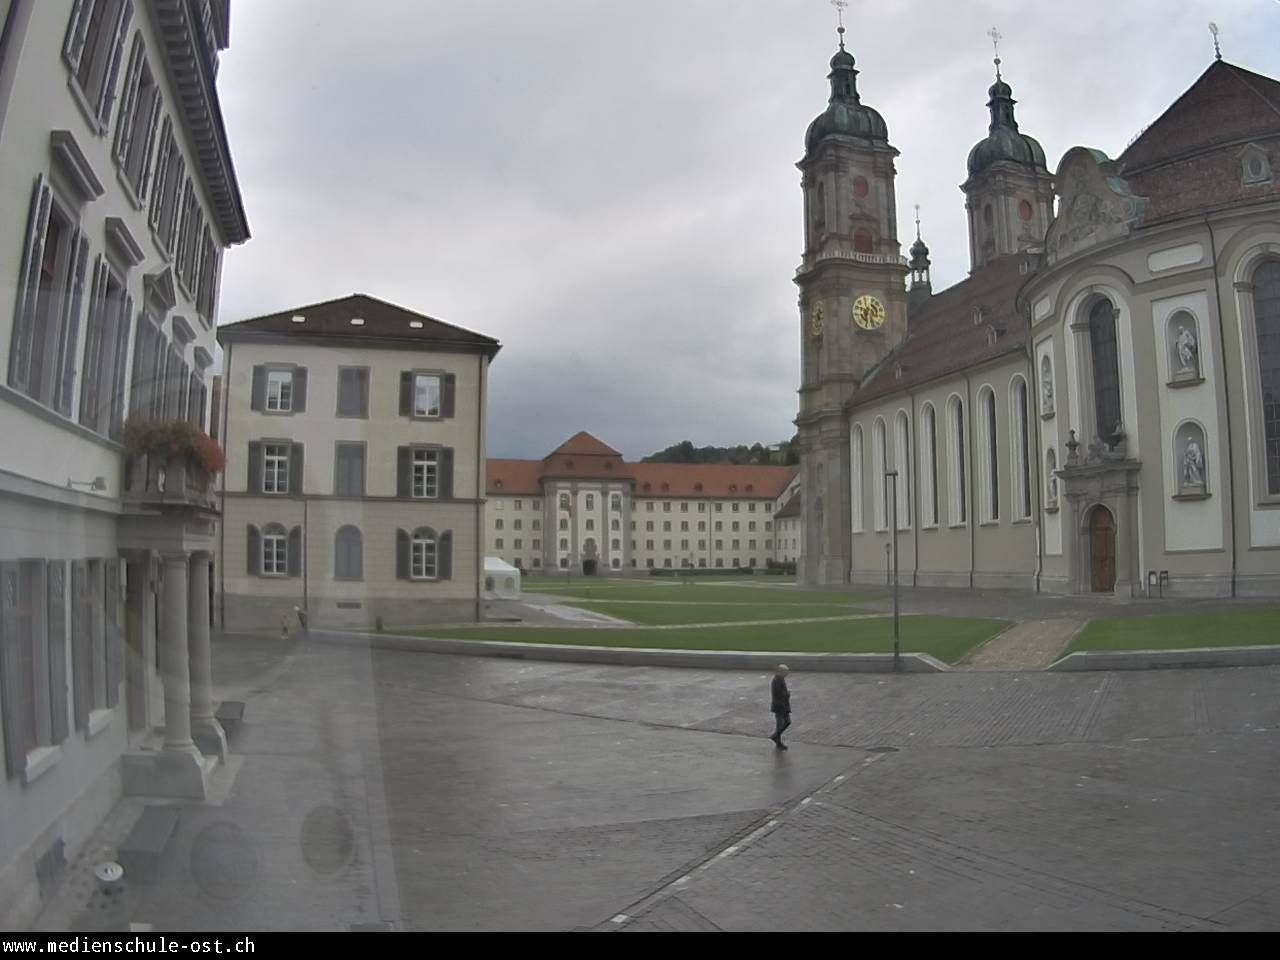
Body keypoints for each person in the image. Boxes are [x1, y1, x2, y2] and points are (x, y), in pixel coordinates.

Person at [770, 664, 791, 750]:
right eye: (786, 672)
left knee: (786, 722)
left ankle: (776, 737)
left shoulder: (780, 679)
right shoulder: (777, 680)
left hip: (783, 706)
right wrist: (787, 694)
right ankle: (777, 740)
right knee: (781, 724)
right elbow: (779, 694)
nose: (787, 673)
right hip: (780, 707)